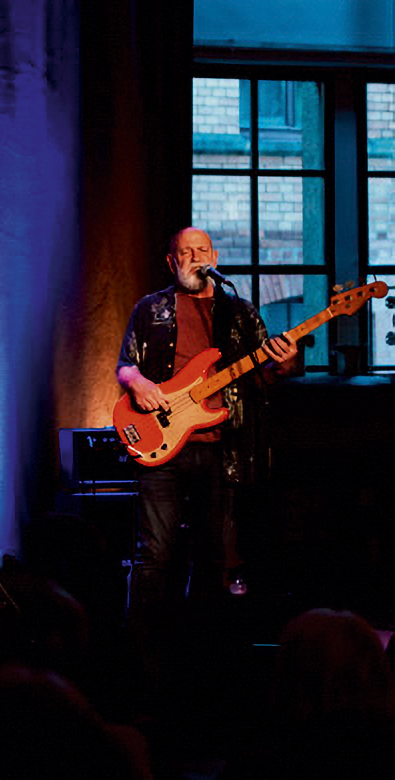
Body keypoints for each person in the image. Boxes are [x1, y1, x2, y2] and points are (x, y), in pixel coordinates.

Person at [116, 227, 295, 618]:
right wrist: (138, 382)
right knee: (154, 552)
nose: (195, 257)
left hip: (220, 448)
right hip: (161, 444)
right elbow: (125, 365)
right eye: (186, 251)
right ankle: (143, 640)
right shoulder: (150, 308)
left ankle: (202, 641)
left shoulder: (240, 312)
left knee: (213, 554)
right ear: (171, 262)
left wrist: (285, 364)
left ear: (214, 257)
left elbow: (263, 376)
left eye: (202, 250)